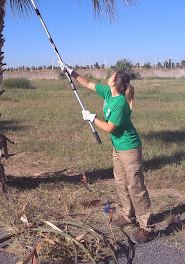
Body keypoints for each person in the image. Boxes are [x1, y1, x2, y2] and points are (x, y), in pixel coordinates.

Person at [59, 63, 154, 244]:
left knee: (135, 186)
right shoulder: (109, 93)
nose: (109, 76)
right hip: (117, 147)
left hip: (130, 148)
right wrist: (71, 72)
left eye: (112, 75)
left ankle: (146, 227)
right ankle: (128, 215)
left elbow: (110, 128)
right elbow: (87, 84)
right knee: (120, 181)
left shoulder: (120, 103)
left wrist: (93, 118)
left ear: (116, 83)